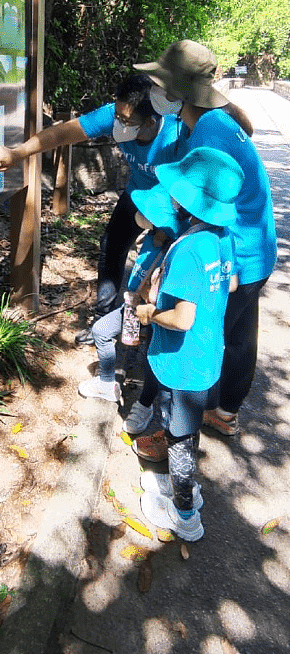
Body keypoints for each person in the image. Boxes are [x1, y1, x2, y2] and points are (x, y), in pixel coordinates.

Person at [131, 40, 276, 454]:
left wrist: (154, 226)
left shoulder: (207, 135)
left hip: (233, 255)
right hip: (253, 252)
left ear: (178, 91)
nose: (155, 92)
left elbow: (191, 203)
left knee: (195, 343)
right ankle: (224, 412)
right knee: (239, 337)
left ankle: (177, 434)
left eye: (160, 83)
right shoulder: (217, 121)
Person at [0, 74, 188, 344]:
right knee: (111, 245)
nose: (118, 125)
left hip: (172, 201)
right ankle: (103, 321)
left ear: (151, 121)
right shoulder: (116, 115)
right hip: (138, 192)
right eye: (117, 116)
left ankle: (155, 324)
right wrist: (18, 153)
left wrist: (162, 231)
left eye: (126, 122)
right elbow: (63, 132)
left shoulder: (177, 134)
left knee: (160, 262)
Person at [133, 146, 243, 541]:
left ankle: (185, 516)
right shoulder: (222, 238)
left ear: (190, 201)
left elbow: (182, 319)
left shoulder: (187, 251)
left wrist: (149, 314)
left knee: (179, 443)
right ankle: (185, 490)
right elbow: (229, 283)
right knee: (187, 431)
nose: (173, 197)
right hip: (207, 356)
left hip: (181, 363)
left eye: (178, 191)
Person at [77, 183, 187, 406]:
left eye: (153, 217)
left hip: (156, 310)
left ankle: (147, 404)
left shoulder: (175, 251)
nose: (146, 220)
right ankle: (107, 382)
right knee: (101, 331)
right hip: (134, 305)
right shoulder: (151, 238)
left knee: (153, 357)